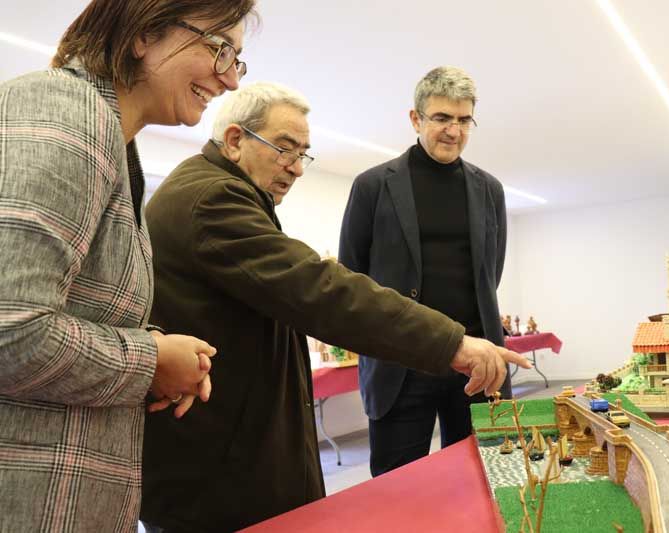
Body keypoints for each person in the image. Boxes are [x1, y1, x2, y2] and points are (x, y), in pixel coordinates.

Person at [141, 82, 528, 532]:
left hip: (226, 449)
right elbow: (327, 289)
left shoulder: (219, 191)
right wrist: (453, 342)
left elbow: (488, 271)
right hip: (218, 465)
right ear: (234, 140)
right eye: (284, 149)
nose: (296, 167)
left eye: (302, 154)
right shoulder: (213, 199)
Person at [0, 0, 255, 530]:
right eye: (219, 48)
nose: (230, 78)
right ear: (145, 32)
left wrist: (153, 350)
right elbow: (12, 329)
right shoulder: (67, 111)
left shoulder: (115, 140)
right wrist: (150, 361)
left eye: (236, 59)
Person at [338, 66, 510, 477]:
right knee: (398, 485)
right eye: (442, 118)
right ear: (415, 119)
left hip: (476, 361)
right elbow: (351, 275)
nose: (453, 130)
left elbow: (491, 273)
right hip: (401, 363)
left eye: (464, 120)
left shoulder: (489, 190)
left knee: (481, 478)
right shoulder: (372, 186)